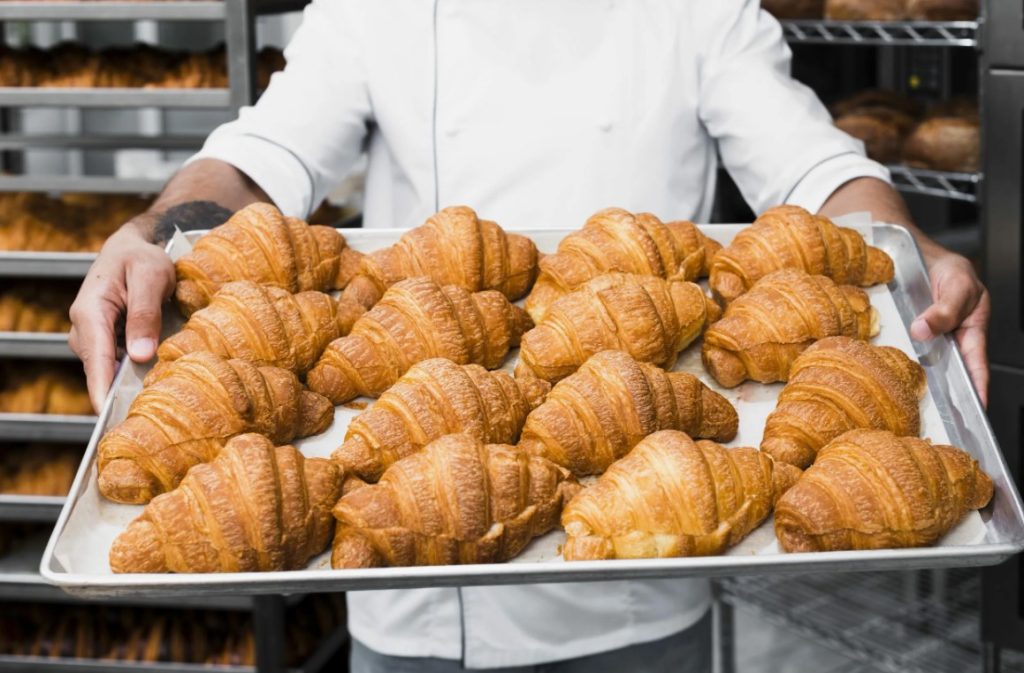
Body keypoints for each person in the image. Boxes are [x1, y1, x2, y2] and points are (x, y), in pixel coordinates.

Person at [69, 2, 990, 671]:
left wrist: (908, 253)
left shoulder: (694, 10)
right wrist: (154, 232)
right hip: (406, 574)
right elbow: (263, 156)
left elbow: (817, 170)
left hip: (638, 583)